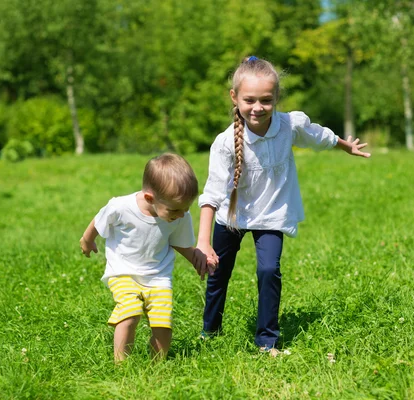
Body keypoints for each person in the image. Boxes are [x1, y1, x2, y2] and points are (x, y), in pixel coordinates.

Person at [196, 56, 371, 356]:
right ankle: (210, 331)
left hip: (271, 215)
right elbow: (212, 193)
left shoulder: (289, 125)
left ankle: (267, 341)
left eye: (266, 100)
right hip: (231, 216)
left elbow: (318, 136)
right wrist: (203, 241)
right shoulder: (225, 143)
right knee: (218, 273)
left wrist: (345, 145)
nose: (257, 107)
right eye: (249, 100)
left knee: (268, 270)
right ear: (234, 98)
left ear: (276, 97)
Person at [80, 153, 216, 362]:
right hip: (123, 272)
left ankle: (156, 366)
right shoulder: (121, 207)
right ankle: (121, 364)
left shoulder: (178, 215)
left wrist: (197, 258)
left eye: (186, 209)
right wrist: (88, 240)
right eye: (176, 209)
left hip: (158, 278)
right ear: (150, 198)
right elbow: (99, 221)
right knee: (130, 314)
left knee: (163, 326)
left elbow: (180, 243)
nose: (181, 215)